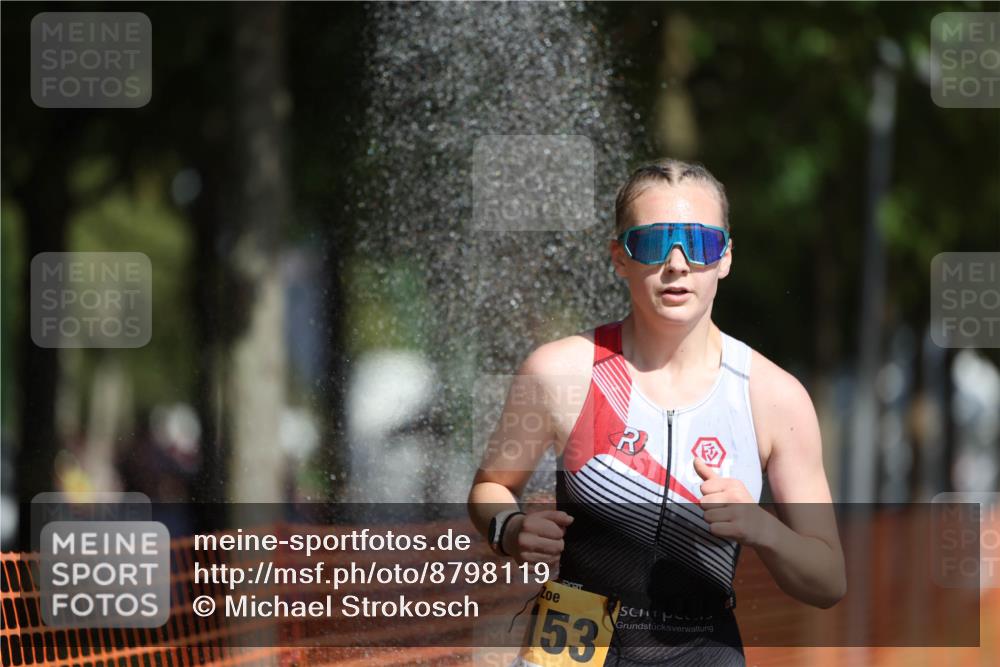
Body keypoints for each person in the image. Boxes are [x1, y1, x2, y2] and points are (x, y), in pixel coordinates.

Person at [467, 158, 846, 666]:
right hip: (569, 646)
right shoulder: (560, 372)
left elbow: (828, 580)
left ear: (726, 257)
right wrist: (508, 530)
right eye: (650, 242)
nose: (677, 263)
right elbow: (491, 486)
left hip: (701, 649)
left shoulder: (774, 396)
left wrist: (761, 527)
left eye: (701, 243)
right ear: (619, 258)